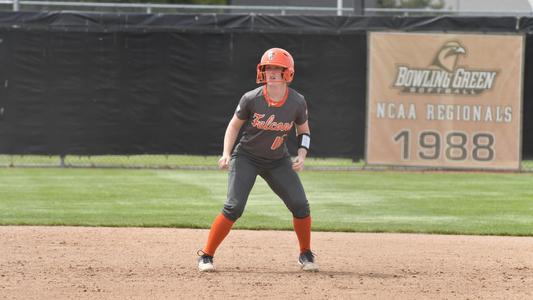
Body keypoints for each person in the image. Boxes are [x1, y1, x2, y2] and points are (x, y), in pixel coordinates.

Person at [197, 47, 318, 272]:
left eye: (277, 68)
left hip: (277, 161)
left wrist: (301, 155)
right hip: (247, 157)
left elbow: (304, 132)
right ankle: (206, 255)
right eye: (267, 68)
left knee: (300, 205)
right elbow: (234, 126)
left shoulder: (297, 101)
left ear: (288, 73)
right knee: (234, 207)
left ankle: (305, 254)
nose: (271, 72)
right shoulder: (251, 98)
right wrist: (226, 153)